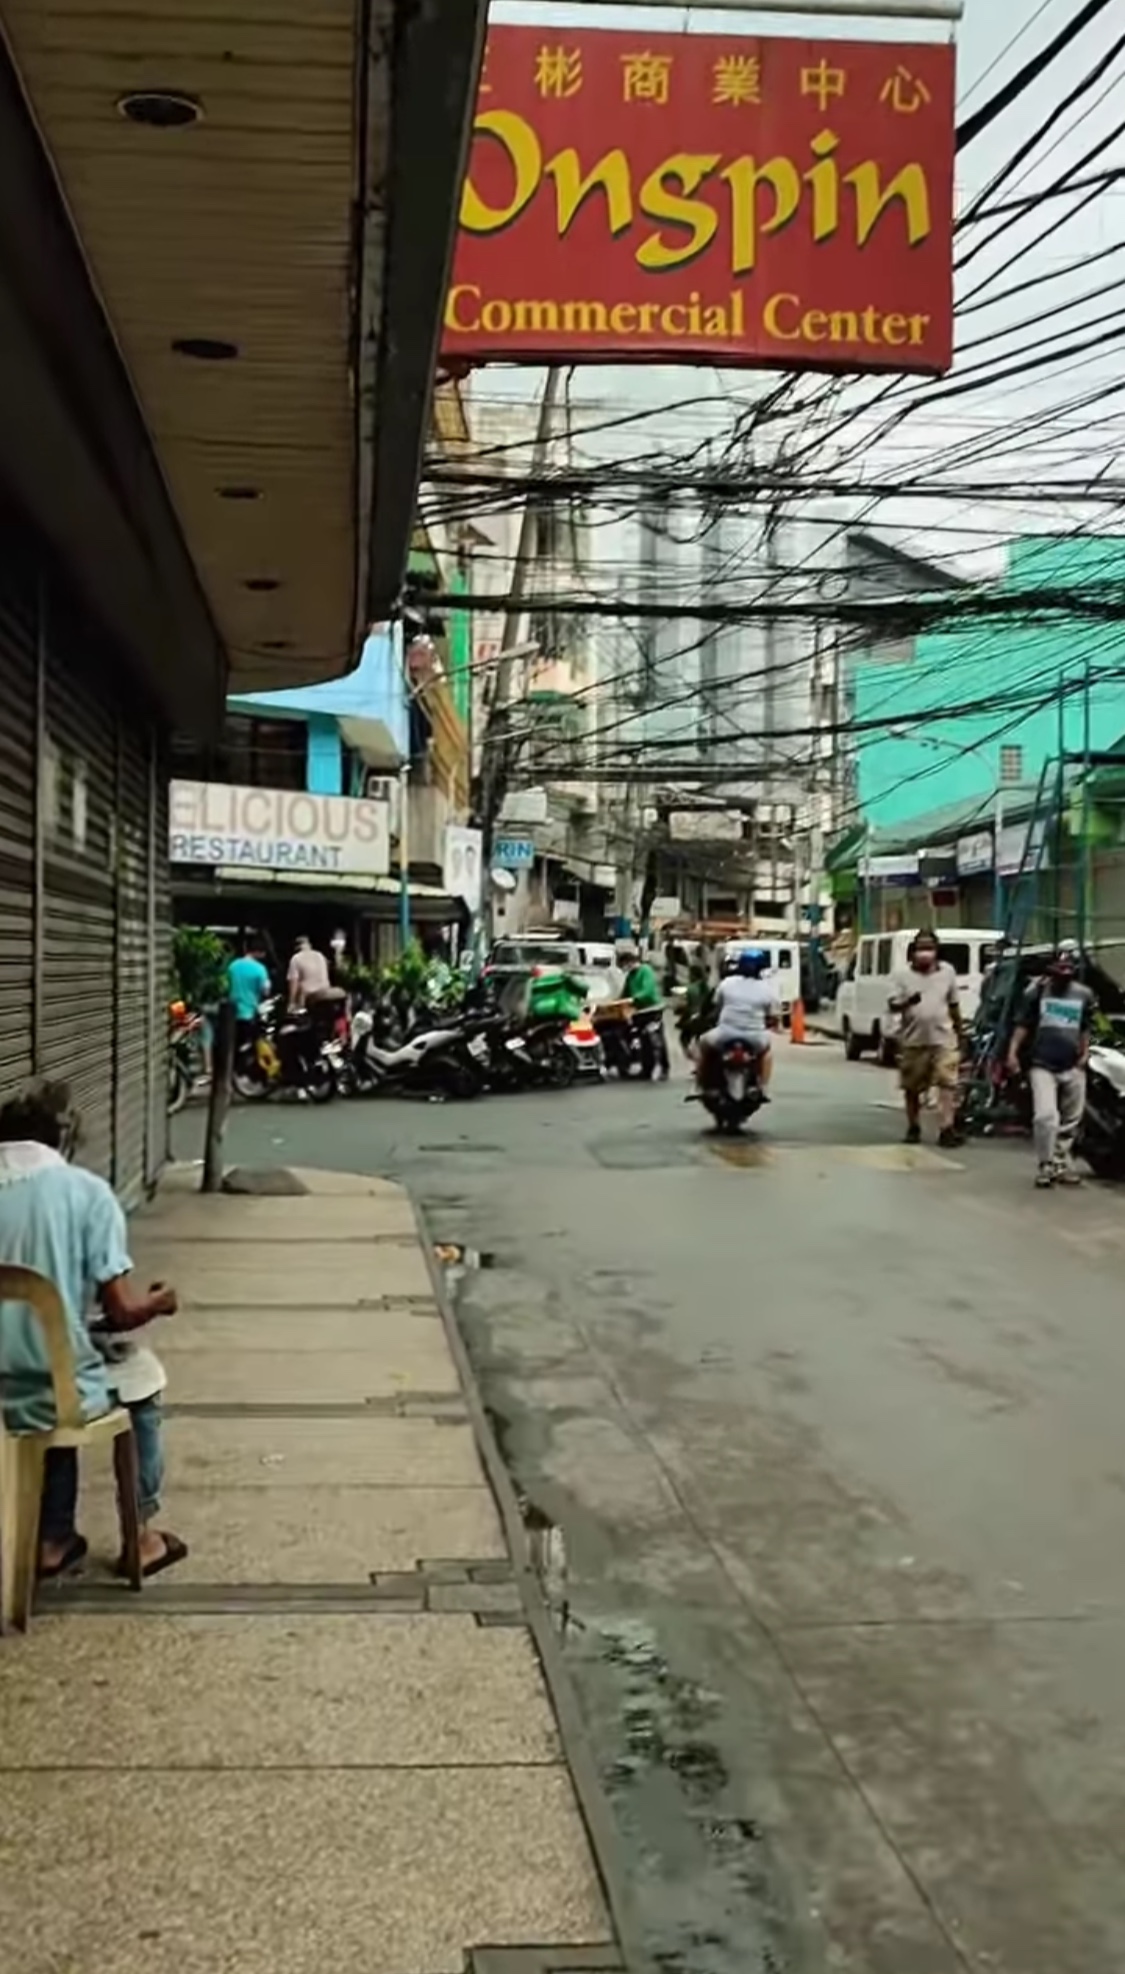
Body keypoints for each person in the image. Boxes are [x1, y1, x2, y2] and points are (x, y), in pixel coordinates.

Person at [0, 1082, 186, 1579]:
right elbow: (123, 1312)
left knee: (47, 1372)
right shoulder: (86, 1194)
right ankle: (141, 1537)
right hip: (53, 1389)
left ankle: (53, 1535)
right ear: (61, 1141)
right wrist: (161, 1302)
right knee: (138, 1380)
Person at [1007, 941, 1095, 1188]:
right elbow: (1023, 1024)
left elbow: (1085, 1027)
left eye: (1068, 970)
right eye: (1059, 970)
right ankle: (1045, 1163)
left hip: (1072, 1064)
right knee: (1046, 1116)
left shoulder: (1083, 994)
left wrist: (1084, 1054)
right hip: (1042, 1063)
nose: (1063, 976)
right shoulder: (1037, 992)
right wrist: (1012, 1053)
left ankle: (1061, 1162)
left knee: (1071, 1120)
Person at [888, 931, 963, 1149]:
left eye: (929, 948)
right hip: (914, 1040)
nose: (925, 953)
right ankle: (913, 1126)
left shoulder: (947, 972)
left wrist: (960, 1032)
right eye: (920, 948)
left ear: (937, 951)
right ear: (912, 952)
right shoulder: (901, 976)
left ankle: (947, 1128)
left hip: (943, 1038)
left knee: (947, 1082)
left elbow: (953, 1004)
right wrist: (907, 1002)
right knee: (912, 1088)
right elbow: (892, 1005)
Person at [698, 948, 779, 1098]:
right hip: (755, 1037)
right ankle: (763, 1087)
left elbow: (717, 1006)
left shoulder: (727, 984)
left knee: (703, 1044)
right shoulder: (767, 990)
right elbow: (773, 1016)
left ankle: (701, 1084)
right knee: (766, 1053)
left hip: (725, 1033)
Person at [227, 935, 271, 1053]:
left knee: (233, 1045)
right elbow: (265, 990)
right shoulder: (260, 969)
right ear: (260, 952)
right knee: (249, 1045)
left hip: (232, 1013)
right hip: (249, 1013)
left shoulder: (232, 966)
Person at [287, 933, 331, 1011]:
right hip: (326, 992)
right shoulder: (320, 955)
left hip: (309, 996)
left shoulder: (296, 958)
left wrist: (292, 1002)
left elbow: (294, 982)